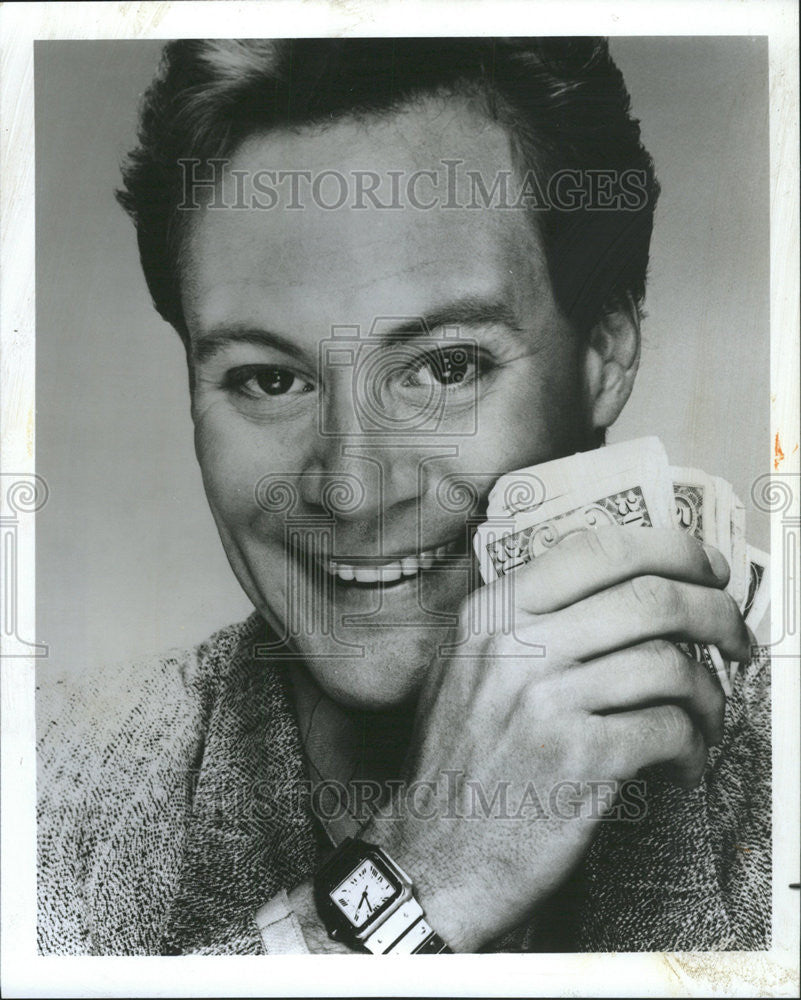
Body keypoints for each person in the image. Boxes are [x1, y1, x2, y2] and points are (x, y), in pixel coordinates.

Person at [37, 37, 770, 955]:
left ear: (605, 355)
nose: (351, 486)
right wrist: (425, 873)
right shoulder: (41, 802)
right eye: (269, 380)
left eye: (443, 367)